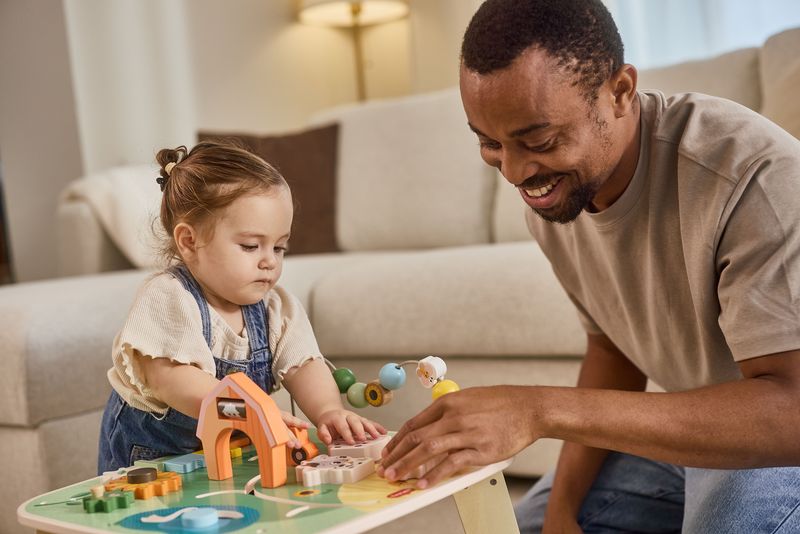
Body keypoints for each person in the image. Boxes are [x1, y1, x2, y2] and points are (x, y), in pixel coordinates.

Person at [378, 0, 800, 532]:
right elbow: (613, 349)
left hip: (779, 438)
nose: (513, 171)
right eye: (489, 143)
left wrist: (537, 409)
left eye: (540, 141)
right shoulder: (557, 193)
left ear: (621, 91)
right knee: (532, 525)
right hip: (699, 442)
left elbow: (791, 412)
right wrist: (562, 510)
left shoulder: (751, 177)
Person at [98, 141, 385, 474]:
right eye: (251, 246)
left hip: (227, 459)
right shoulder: (168, 298)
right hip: (154, 464)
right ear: (189, 242)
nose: (269, 262)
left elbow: (303, 365)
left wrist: (328, 411)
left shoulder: (275, 308)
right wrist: (251, 408)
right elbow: (173, 380)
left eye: (280, 248)